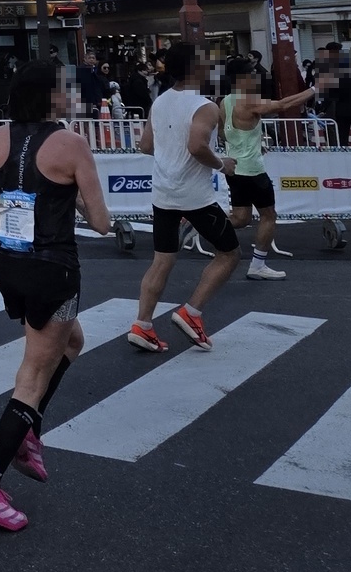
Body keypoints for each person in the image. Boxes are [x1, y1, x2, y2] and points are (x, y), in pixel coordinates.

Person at [0, 60, 114, 531]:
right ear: (50, 97)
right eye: (64, 88)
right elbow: (101, 223)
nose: (70, 94)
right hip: (52, 268)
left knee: (72, 341)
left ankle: (29, 431)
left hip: (6, 261)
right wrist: (77, 197)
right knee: (33, 374)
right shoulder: (72, 144)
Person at [128, 42, 240, 353]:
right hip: (195, 195)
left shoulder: (160, 102)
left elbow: (146, 146)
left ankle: (143, 324)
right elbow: (196, 146)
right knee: (229, 253)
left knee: (162, 260)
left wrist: (170, 153)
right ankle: (191, 313)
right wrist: (222, 165)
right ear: (195, 68)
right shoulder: (205, 106)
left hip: (163, 192)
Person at [219, 57, 316, 282]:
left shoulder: (224, 102)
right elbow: (282, 105)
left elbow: (224, 133)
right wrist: (314, 89)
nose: (256, 77)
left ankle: (202, 222)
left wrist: (247, 144)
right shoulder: (248, 100)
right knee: (268, 216)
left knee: (241, 218)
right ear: (242, 78)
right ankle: (258, 264)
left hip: (235, 168)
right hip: (252, 170)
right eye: (252, 73)